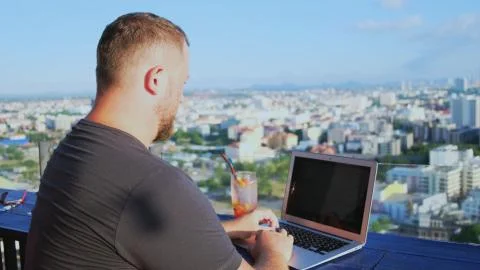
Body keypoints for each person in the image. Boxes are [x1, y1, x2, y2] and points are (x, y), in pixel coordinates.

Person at [25, 12, 293, 270]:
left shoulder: (74, 150)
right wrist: (274, 252)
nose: (181, 99)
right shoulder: (153, 183)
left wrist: (230, 228)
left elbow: (123, 233)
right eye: (182, 84)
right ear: (156, 80)